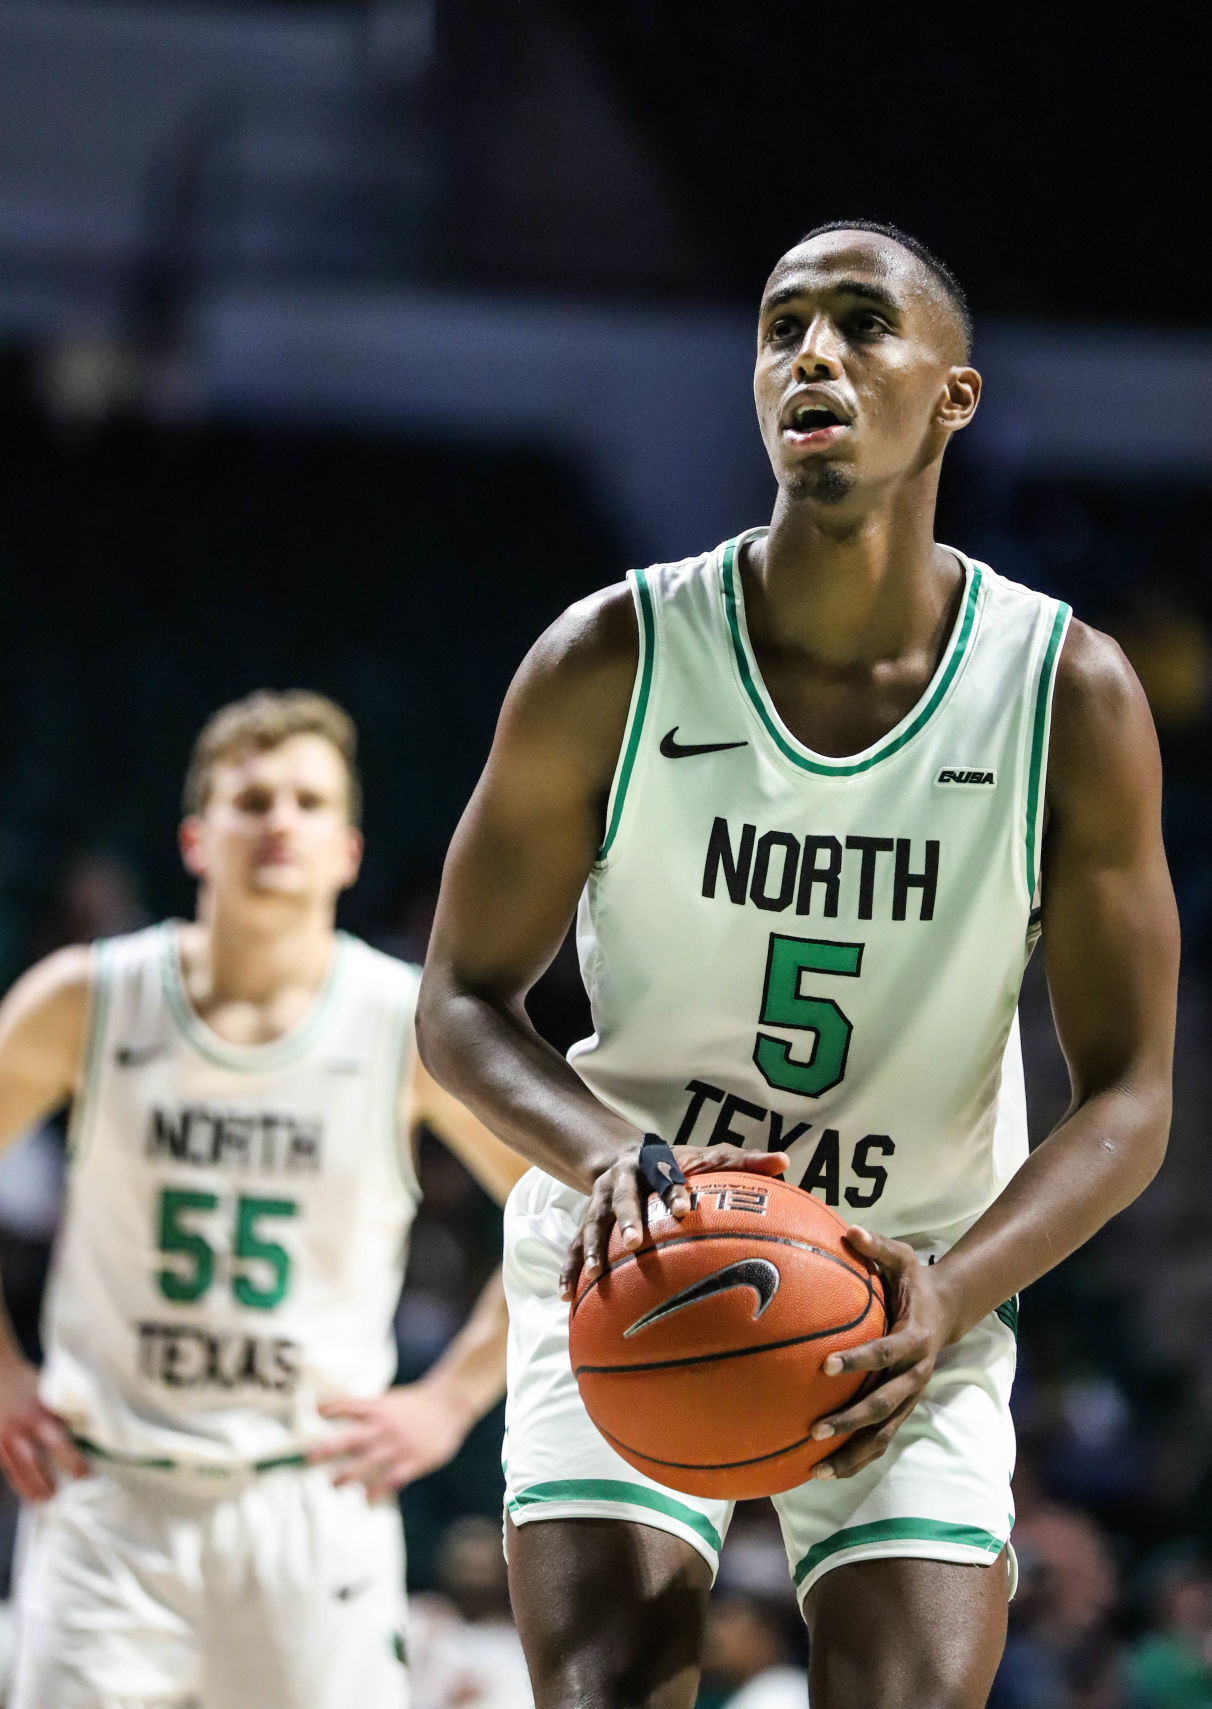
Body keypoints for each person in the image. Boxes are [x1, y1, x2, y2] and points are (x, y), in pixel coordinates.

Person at [416, 219, 1179, 1709]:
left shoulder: (1064, 693)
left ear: (954, 395)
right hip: (635, 1249)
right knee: (606, 1685)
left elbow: (1134, 1097)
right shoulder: (612, 656)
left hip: (907, 1277)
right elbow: (457, 1002)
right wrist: (606, 1155)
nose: (811, 354)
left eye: (859, 324)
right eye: (781, 327)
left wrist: (955, 1294)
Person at [0, 690, 526, 1709]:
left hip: (310, 1493)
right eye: (251, 800)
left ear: (348, 850)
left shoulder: (404, 1024)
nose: (279, 820)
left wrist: (450, 1398)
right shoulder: (88, 996)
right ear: (197, 838)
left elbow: (558, 1212)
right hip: (108, 1490)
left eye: (306, 801)